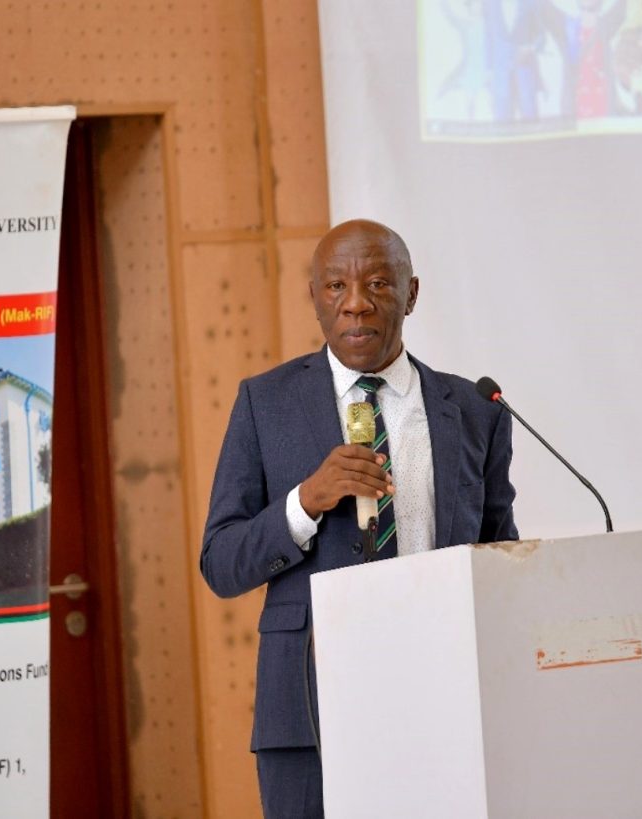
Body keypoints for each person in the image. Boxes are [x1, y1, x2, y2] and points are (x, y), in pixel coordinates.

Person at [201, 219, 518, 818]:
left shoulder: (475, 412)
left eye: (377, 284)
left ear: (412, 294)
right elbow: (221, 563)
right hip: (311, 699)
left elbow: (501, 552)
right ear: (315, 297)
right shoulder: (264, 403)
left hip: (446, 690)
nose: (355, 305)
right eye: (335, 288)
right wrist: (305, 502)